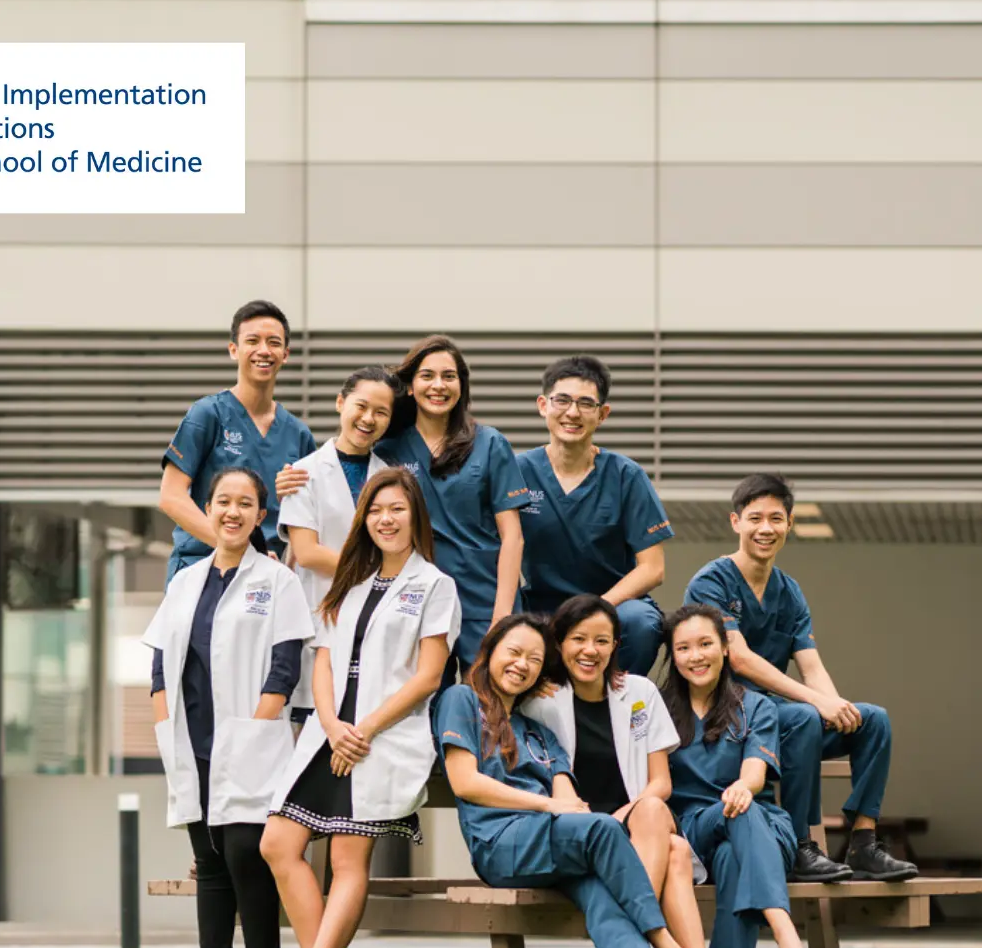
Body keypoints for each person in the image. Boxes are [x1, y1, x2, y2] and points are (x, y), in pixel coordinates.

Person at [434, 614, 705, 948]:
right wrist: (547, 805)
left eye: (533, 659)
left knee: (598, 886)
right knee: (602, 828)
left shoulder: (539, 731)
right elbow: (464, 782)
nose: (521, 664)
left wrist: (564, 806)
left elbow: (568, 798)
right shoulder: (462, 700)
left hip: (549, 846)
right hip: (499, 845)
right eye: (514, 652)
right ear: (490, 652)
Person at [261, 467, 461, 948]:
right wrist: (330, 725)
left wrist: (364, 729)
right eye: (375, 511)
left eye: (396, 509)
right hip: (330, 733)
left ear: (415, 515)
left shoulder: (434, 586)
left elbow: (427, 676)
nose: (385, 519)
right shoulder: (348, 583)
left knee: (349, 861)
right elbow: (322, 661)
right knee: (277, 844)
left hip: (382, 738)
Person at [682, 473, 917, 883]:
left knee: (873, 720)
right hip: (733, 719)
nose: (766, 528)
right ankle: (799, 845)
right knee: (804, 717)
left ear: (789, 524)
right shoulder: (711, 581)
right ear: (735, 522)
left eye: (777, 518)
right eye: (755, 518)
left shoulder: (788, 591)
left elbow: (811, 664)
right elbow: (739, 658)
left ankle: (864, 843)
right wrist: (815, 703)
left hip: (782, 716)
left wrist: (836, 706)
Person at [144, 468, 316, 948]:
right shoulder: (184, 581)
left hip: (249, 745)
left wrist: (252, 731)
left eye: (245, 504)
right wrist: (163, 724)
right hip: (191, 743)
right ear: (209, 509)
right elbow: (159, 666)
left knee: (248, 859)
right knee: (211, 865)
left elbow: (284, 669)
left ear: (260, 516)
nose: (232, 512)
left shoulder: (276, 580)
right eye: (223, 501)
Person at [521, 595, 728, 948]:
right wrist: (606, 824)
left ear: (616, 645)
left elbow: (660, 783)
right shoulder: (538, 703)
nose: (590, 650)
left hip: (637, 826)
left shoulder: (639, 692)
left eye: (602, 640)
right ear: (559, 643)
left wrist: (621, 816)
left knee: (651, 809)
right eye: (578, 639)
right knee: (677, 851)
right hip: (577, 837)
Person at [660, 603, 809, 948]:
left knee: (732, 852)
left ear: (725, 648)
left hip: (761, 825)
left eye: (706, 644)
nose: (696, 656)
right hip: (695, 829)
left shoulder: (754, 705)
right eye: (684, 648)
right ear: (673, 656)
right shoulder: (658, 710)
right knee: (732, 824)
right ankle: (783, 926)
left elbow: (756, 770)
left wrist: (744, 786)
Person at [375, 336, 527, 689]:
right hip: (416, 596)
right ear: (410, 386)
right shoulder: (387, 448)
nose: (438, 386)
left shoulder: (490, 443)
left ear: (462, 385)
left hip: (484, 595)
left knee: (489, 705)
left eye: (449, 376)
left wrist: (502, 614)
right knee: (422, 706)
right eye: (427, 375)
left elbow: (513, 536)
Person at [514, 355, 672, 676]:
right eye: (562, 400)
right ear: (543, 405)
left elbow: (653, 569)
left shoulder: (627, 476)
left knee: (641, 623)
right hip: (540, 605)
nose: (572, 413)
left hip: (611, 605)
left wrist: (596, 609)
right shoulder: (516, 472)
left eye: (586, 403)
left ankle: (615, 708)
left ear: (603, 415)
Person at [158, 300, 316, 585]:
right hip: (202, 569)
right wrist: (235, 549)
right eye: (252, 341)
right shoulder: (207, 415)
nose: (264, 351)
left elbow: (304, 519)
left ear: (286, 354)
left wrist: (283, 573)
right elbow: (171, 497)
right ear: (234, 350)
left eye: (274, 342)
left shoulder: (298, 434)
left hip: (264, 579)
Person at [277, 366, 400, 723]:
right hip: (319, 612)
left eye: (381, 412)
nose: (368, 418)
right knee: (313, 724)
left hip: (374, 618)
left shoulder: (390, 477)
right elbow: (307, 552)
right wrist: (380, 572)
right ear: (340, 403)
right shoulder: (303, 473)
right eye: (360, 406)